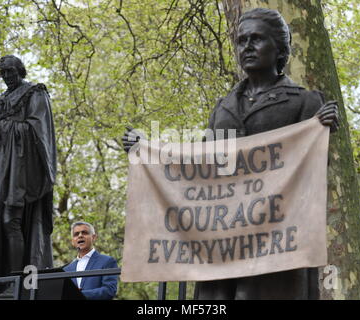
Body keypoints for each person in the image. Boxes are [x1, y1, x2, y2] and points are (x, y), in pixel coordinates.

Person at [123, 8, 339, 299]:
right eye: (241, 40)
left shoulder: (303, 101)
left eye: (257, 39)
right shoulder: (223, 107)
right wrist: (147, 151)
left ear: (279, 50)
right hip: (221, 243)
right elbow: (198, 168)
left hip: (275, 244)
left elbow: (312, 174)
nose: (246, 47)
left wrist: (321, 132)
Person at [0, 55, 57, 298]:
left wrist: (8, 128)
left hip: (20, 169)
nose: (7, 76)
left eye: (10, 71)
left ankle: (17, 281)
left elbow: (38, 130)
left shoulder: (34, 93)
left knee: (11, 221)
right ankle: (0, 283)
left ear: (21, 70)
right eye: (3, 72)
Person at [63, 222, 118, 300]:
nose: (80, 235)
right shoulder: (66, 269)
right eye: (76, 234)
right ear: (73, 241)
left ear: (94, 237)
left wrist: (79, 295)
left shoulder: (107, 261)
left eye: (84, 233)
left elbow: (109, 291)